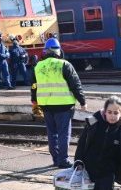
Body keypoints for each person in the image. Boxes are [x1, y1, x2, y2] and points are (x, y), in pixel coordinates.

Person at [31, 37, 86, 168]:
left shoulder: (38, 66)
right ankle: (63, 160)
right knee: (63, 133)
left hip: (46, 105)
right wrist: (82, 101)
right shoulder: (64, 65)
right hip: (63, 105)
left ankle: (55, 159)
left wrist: (34, 101)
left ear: (45, 51)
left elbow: (33, 86)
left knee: (52, 133)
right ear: (59, 51)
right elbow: (75, 84)